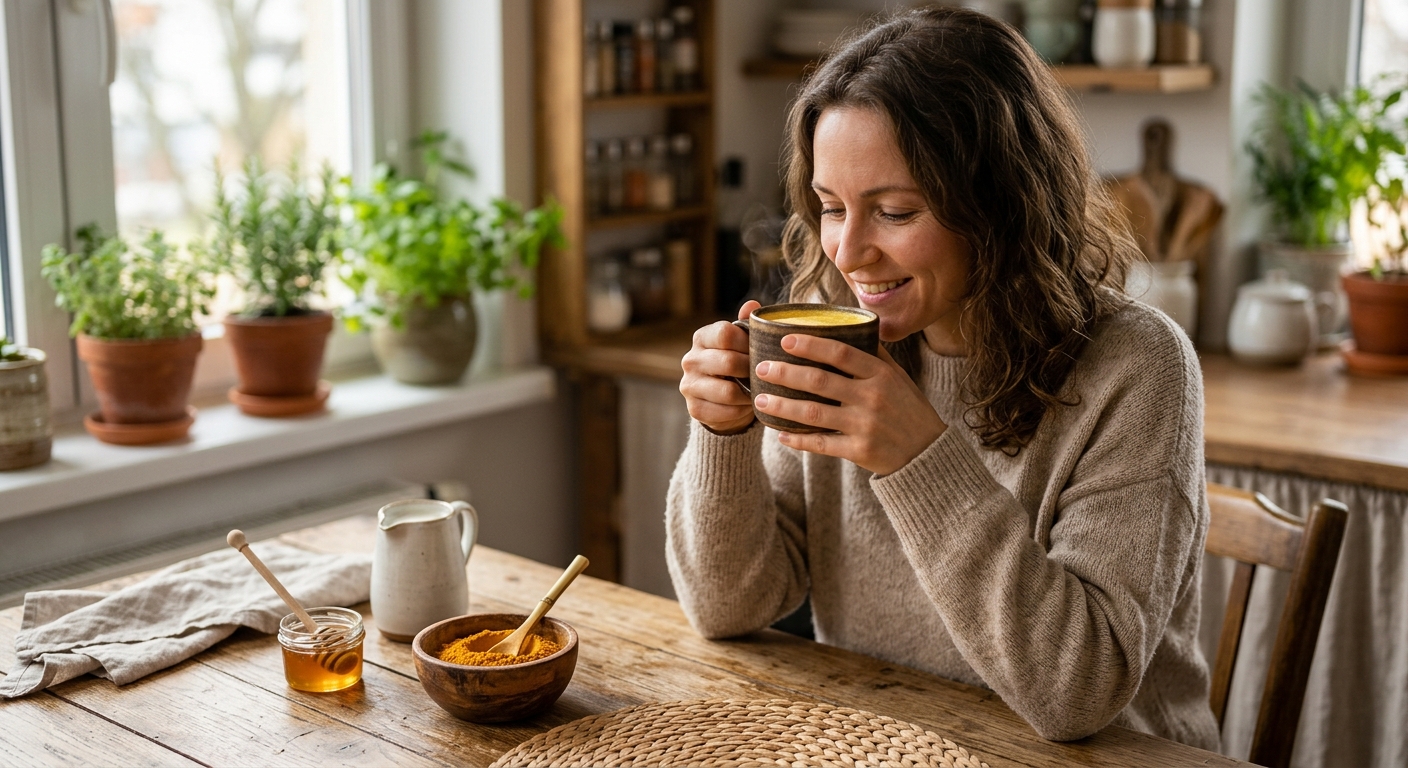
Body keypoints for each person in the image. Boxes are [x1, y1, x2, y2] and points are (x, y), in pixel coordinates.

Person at [667, 6, 1220, 750]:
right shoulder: (839, 337)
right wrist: (723, 434)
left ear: (999, 205)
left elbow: (1078, 693)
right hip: (882, 746)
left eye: (895, 212)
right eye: (831, 209)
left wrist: (916, 457)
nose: (848, 253)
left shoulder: (1139, 366)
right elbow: (728, 606)